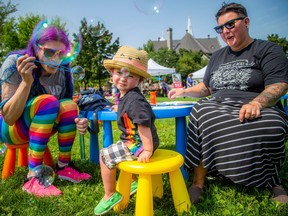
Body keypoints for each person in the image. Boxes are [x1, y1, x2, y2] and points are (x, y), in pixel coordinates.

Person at [168, 2, 288, 204]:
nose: (225, 31)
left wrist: (257, 103)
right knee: (201, 111)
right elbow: (206, 88)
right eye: (220, 28)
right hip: (219, 105)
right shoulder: (216, 56)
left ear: (246, 22)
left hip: (257, 104)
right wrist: (185, 90)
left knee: (273, 124)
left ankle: (273, 181)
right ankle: (198, 182)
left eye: (230, 24)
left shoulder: (267, 49)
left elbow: (279, 85)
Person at [0, 20, 91, 197]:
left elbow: (65, 109)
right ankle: (33, 177)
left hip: (42, 128)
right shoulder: (15, 63)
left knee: (69, 104)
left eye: (61, 54)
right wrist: (26, 82)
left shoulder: (64, 70)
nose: (56, 59)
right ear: (35, 48)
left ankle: (64, 167)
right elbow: (9, 117)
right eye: (49, 52)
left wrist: (78, 120)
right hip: (10, 128)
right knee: (47, 101)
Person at [94, 46, 159, 215]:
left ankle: (110, 194)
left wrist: (147, 150)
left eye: (130, 75)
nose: (123, 79)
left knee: (105, 155)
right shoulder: (126, 95)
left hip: (139, 144)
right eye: (119, 73)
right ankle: (134, 181)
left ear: (139, 81)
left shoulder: (135, 101)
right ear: (112, 74)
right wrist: (119, 107)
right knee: (117, 149)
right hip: (132, 141)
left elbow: (143, 125)